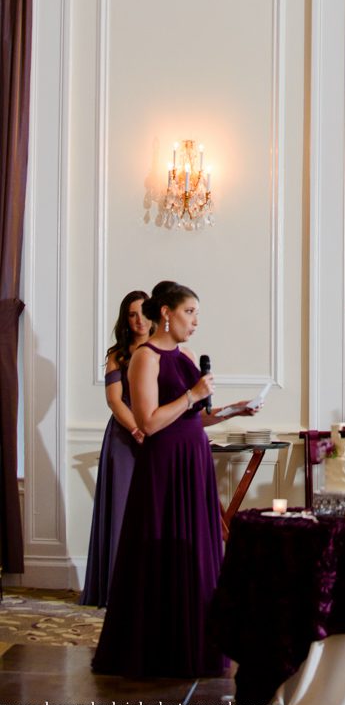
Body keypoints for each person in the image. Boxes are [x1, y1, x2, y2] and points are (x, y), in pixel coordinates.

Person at [93, 280, 260, 678]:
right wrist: (192, 395)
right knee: (159, 550)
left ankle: (197, 645)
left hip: (193, 458)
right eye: (190, 312)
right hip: (164, 464)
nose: (195, 321)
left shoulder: (184, 356)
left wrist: (232, 411)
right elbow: (150, 423)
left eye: (197, 313)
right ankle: (158, 649)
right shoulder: (144, 359)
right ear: (166, 314)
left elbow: (191, 418)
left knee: (195, 549)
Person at [81, 290, 152, 607]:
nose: (139, 320)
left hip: (156, 434)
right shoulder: (118, 354)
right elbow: (113, 399)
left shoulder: (161, 352)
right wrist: (136, 428)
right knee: (121, 510)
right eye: (132, 314)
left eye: (143, 313)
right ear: (125, 319)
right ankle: (116, 590)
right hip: (124, 439)